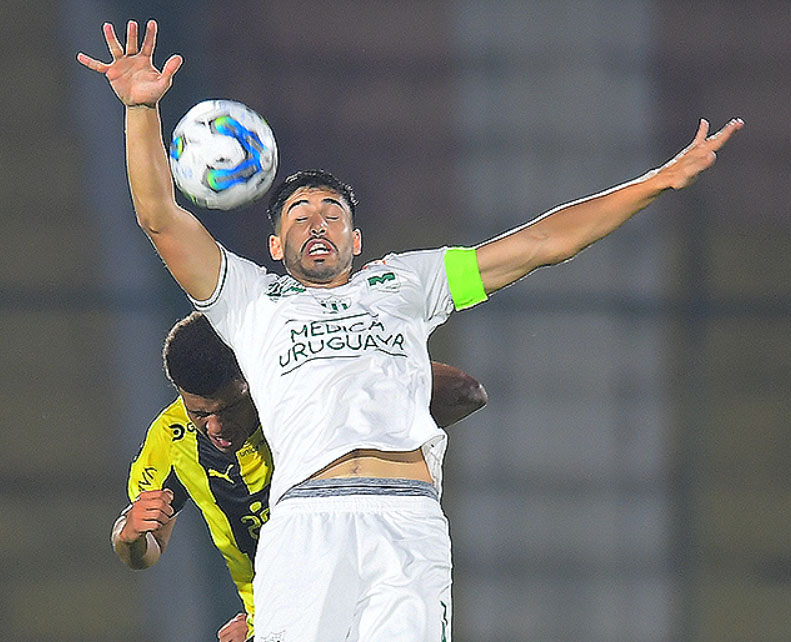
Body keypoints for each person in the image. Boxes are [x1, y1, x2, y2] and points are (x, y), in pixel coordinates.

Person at [78, 19, 743, 641]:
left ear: (356, 238)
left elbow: (541, 242)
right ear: (274, 244)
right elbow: (161, 217)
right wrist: (141, 109)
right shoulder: (249, 299)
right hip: (308, 523)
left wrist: (656, 182)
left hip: (408, 522)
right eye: (300, 213)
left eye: (332, 213)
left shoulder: (406, 283)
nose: (317, 222)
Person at [111, 312, 487, 642]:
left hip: (363, 589)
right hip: (282, 619)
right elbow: (145, 552)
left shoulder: (305, 394)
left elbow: (467, 394)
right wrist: (128, 536)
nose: (216, 426)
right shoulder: (170, 439)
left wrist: (374, 378)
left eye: (230, 407)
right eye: (199, 413)